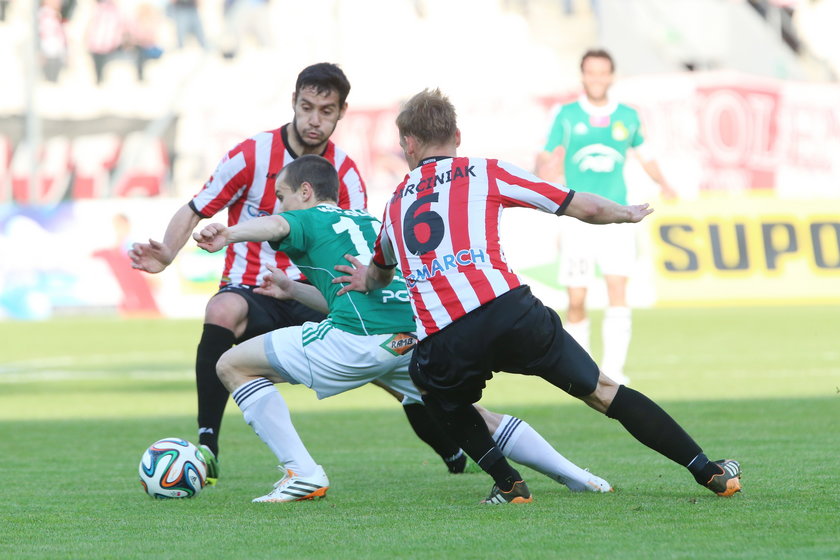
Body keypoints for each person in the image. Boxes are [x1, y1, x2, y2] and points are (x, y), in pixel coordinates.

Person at [334, 88, 741, 504]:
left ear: (408, 143)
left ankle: (508, 483)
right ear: (457, 135)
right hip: (509, 314)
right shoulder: (484, 171)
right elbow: (578, 205)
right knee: (604, 391)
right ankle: (710, 472)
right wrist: (624, 212)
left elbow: (380, 272)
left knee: (431, 390)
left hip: (446, 337)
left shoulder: (398, 202)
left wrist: (362, 280)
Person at [129, 63, 483, 484]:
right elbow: (197, 207)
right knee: (222, 308)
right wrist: (168, 252)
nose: (315, 120)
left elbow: (360, 246)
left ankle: (454, 446)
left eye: (326, 111)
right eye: (307, 107)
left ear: (341, 112)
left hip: (319, 293)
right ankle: (208, 445)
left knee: (395, 372)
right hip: (254, 287)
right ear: (293, 102)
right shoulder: (251, 154)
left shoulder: (345, 173)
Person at [193, 154, 613, 502]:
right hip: (408, 335)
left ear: (305, 192)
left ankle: (301, 472)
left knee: (232, 365)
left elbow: (278, 226)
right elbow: (351, 295)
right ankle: (578, 476)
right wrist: (289, 289)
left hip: (357, 340)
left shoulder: (309, 218)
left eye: (282, 196)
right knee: (476, 417)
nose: (279, 207)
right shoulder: (365, 221)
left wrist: (227, 233)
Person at [535, 49, 677, 386]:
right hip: (578, 217)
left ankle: (614, 371)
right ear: (582, 76)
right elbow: (547, 155)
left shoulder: (627, 116)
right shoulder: (567, 115)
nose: (597, 78)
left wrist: (665, 184)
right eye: (590, 72)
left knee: (617, 289)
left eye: (602, 72)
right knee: (577, 297)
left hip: (618, 216)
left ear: (611, 76)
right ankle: (580, 372)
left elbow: (645, 154)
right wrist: (543, 172)